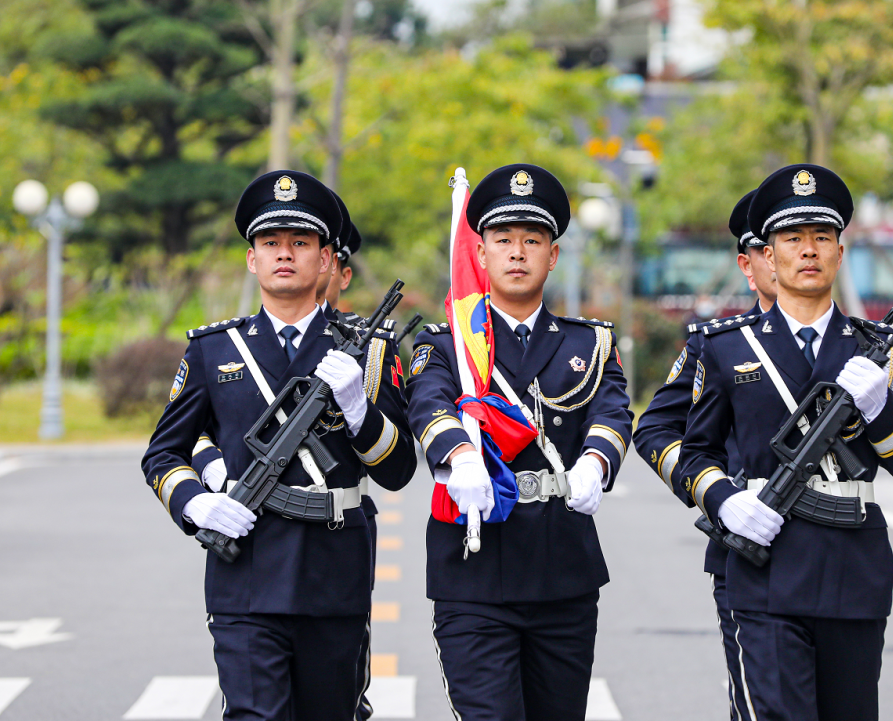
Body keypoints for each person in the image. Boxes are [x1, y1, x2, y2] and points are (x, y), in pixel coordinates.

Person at [142, 170, 416, 721]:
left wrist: (358, 408)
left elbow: (399, 470)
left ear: (324, 260)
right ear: (252, 259)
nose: (284, 254)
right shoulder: (214, 349)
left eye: (300, 243)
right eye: (270, 243)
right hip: (244, 574)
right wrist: (196, 503)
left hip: (333, 572)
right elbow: (163, 454)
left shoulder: (369, 350)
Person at [680, 164, 893, 721]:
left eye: (822, 238)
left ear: (840, 253)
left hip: (854, 571)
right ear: (768, 257)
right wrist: (724, 500)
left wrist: (879, 408)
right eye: (792, 239)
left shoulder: (879, 350)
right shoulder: (726, 347)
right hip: (765, 573)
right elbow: (693, 451)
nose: (808, 250)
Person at [404, 164, 633, 721]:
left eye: (532, 240)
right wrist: (460, 456)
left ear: (553, 256)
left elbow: (612, 411)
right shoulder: (449, 344)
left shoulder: (590, 342)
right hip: (474, 571)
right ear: (479, 254)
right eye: (503, 240)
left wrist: (595, 465)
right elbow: (427, 401)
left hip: (562, 569)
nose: (517, 252)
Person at [632, 190, 775, 719]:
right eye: (770, 247)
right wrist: (716, 494)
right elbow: (655, 431)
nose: (786, 256)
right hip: (747, 541)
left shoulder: (848, 341)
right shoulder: (718, 344)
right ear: (749, 262)